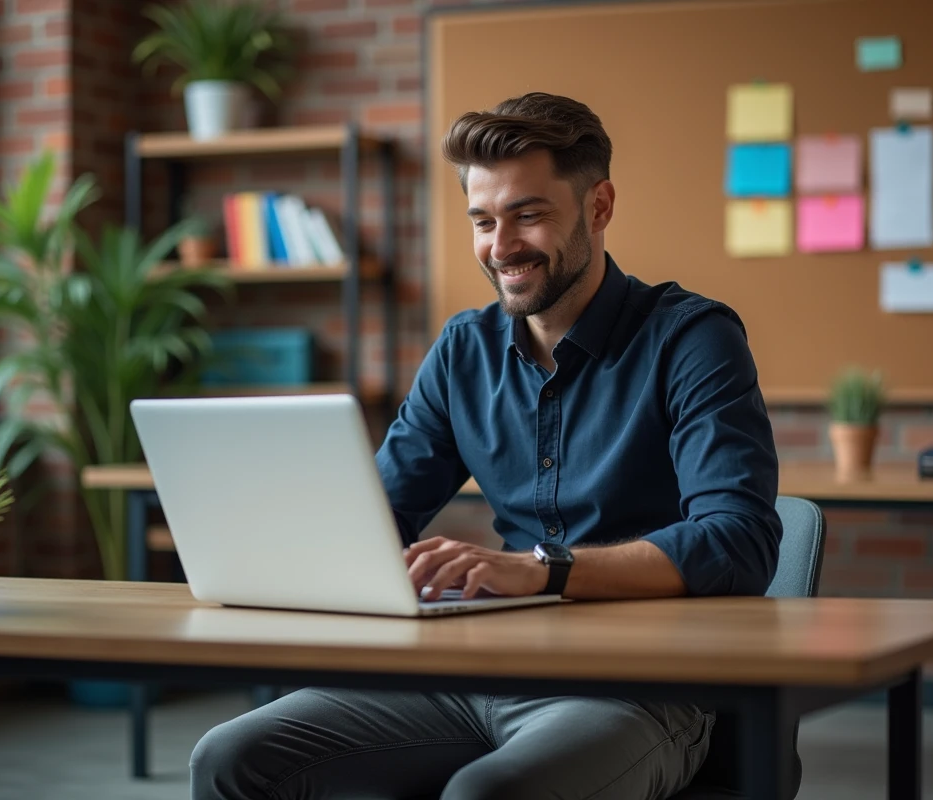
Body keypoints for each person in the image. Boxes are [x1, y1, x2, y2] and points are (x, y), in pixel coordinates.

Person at [190, 92, 782, 800]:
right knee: (230, 755)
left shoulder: (692, 340)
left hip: (640, 687)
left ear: (599, 207)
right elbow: (376, 516)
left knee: (489, 796)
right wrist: (286, 544)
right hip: (473, 675)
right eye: (482, 220)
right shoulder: (462, 352)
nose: (501, 247)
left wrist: (542, 569)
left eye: (528, 215)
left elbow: (738, 541)